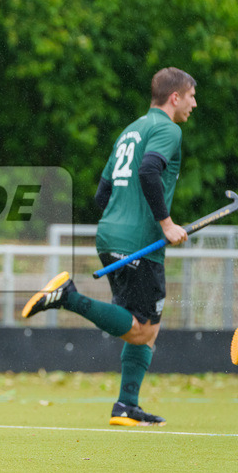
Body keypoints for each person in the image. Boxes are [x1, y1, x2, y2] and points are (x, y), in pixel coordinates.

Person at [22, 67, 196, 427]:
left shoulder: (130, 130)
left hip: (110, 233)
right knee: (143, 328)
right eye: (192, 95)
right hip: (138, 241)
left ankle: (126, 405)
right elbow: (150, 170)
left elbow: (103, 193)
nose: (195, 103)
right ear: (174, 97)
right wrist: (165, 224)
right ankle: (67, 296)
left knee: (145, 324)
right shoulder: (168, 129)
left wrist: (124, 218)